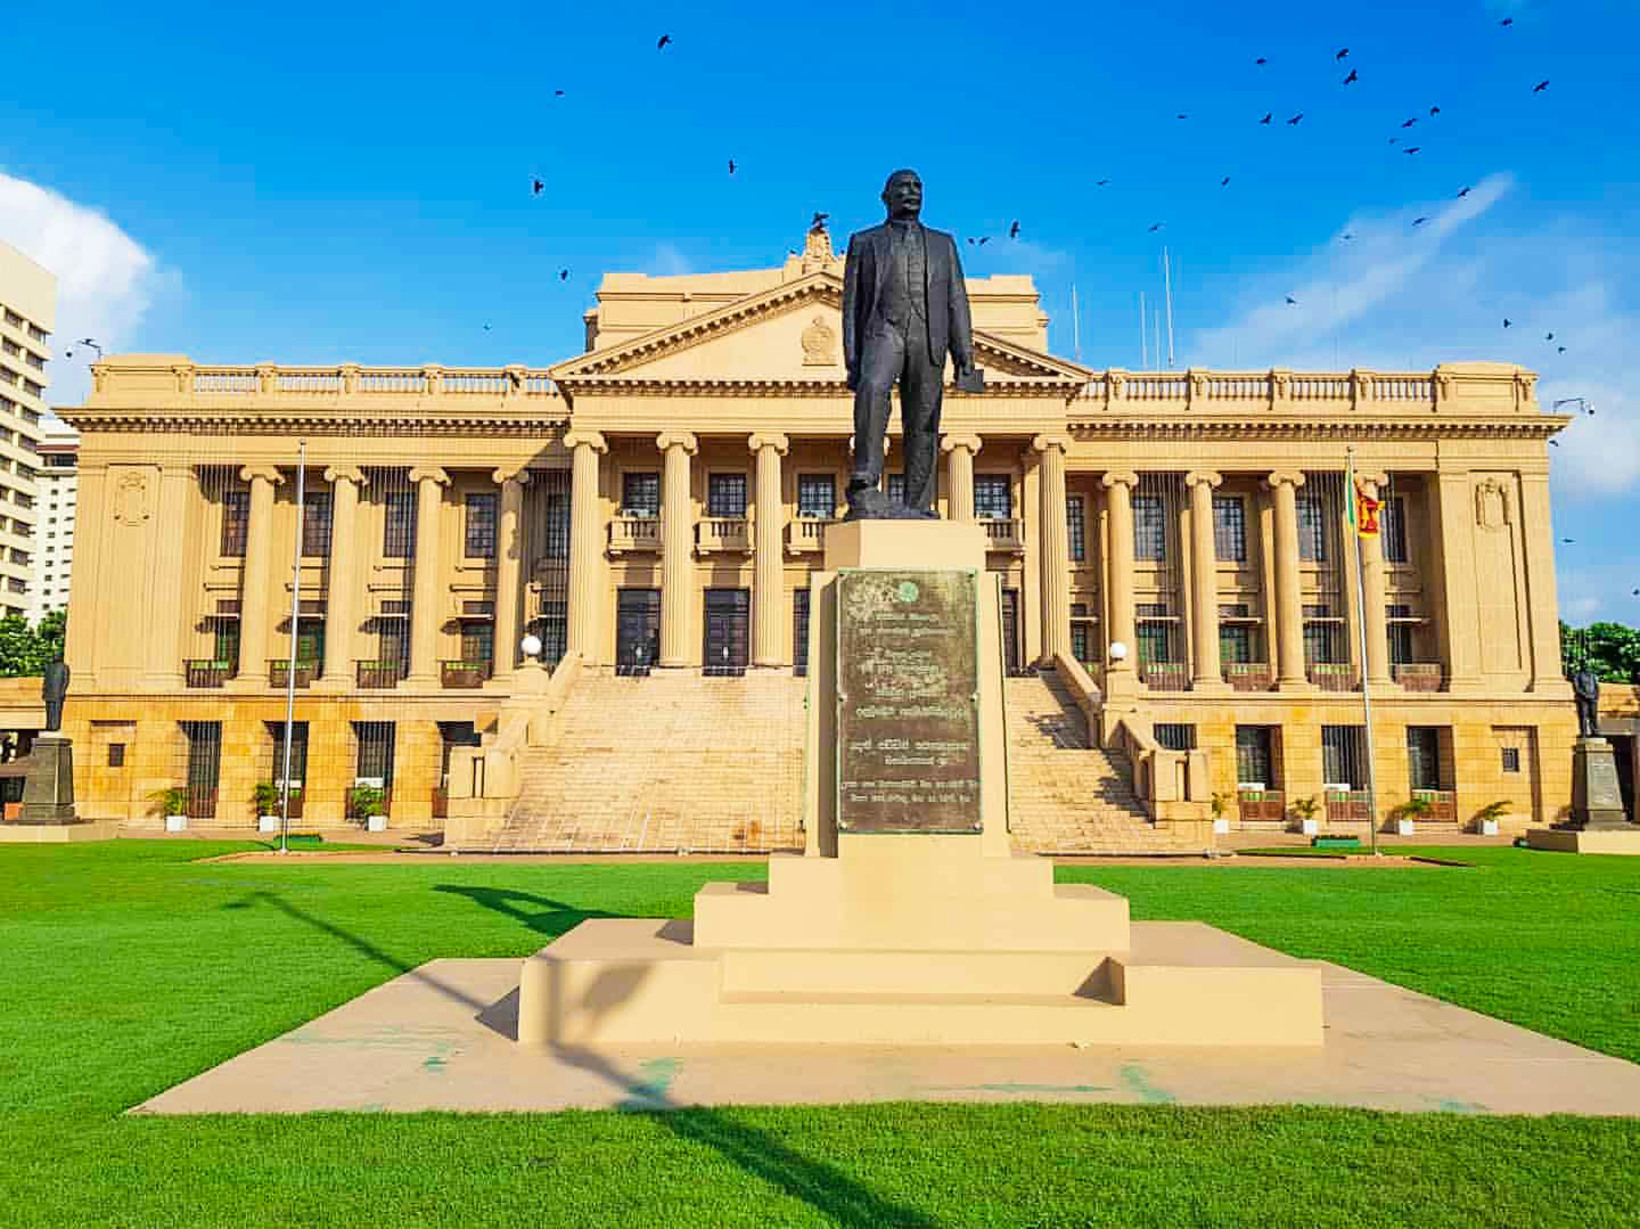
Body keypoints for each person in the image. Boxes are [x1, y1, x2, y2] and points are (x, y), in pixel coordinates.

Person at [841, 170, 977, 519]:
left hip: (928, 337)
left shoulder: (943, 244)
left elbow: (956, 301)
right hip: (884, 331)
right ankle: (866, 480)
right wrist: (853, 359)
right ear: (885, 197)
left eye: (917, 187)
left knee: (923, 422)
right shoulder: (864, 241)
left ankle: (919, 502)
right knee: (872, 389)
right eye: (902, 187)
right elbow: (852, 305)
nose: (911, 192)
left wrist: (965, 357)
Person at [1571, 667, 1600, 739]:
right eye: (1585, 665)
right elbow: (1577, 688)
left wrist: (1595, 696)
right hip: (1583, 700)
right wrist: (1586, 695)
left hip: (1593, 699)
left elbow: (1597, 687)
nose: (1587, 667)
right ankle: (1584, 732)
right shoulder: (1577, 676)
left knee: (1593, 716)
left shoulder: (1593, 676)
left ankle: (1595, 732)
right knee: (1583, 716)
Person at [42, 656, 69, 734]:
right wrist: (44, 692)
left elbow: (65, 680)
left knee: (56, 711)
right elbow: (45, 681)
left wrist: (62, 691)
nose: (55, 657)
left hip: (58, 693)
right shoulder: (49, 667)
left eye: (56, 655)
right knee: (49, 711)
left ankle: (55, 726)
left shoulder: (64, 667)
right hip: (49, 693)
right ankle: (49, 726)